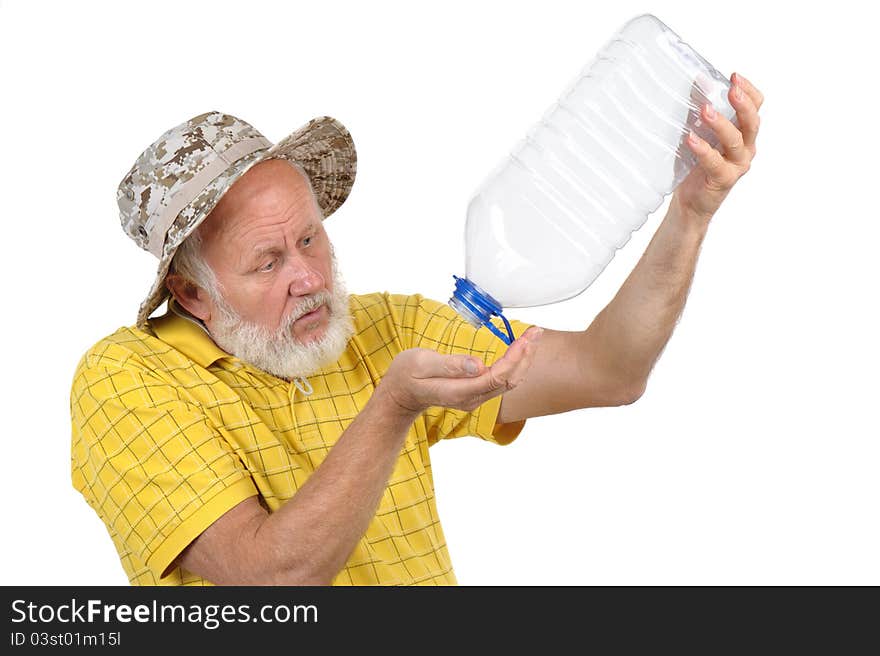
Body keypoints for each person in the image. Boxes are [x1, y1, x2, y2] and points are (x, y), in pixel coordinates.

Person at [70, 75, 763, 586]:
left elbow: (609, 372)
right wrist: (393, 407)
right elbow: (269, 582)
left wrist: (692, 213)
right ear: (192, 292)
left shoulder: (382, 328)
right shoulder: (126, 378)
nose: (309, 276)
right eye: (267, 261)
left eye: (311, 238)